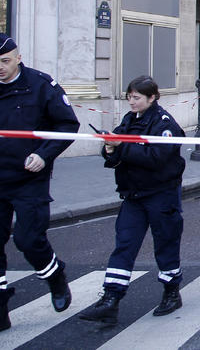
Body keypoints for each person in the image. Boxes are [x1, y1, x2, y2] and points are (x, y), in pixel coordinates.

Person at [79, 76, 186, 324]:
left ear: (152, 97)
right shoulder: (129, 120)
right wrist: (109, 149)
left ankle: (171, 292)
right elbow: (118, 151)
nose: (131, 102)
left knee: (166, 244)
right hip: (133, 195)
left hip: (161, 195)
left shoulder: (164, 124)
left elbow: (157, 157)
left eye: (136, 97)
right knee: (124, 245)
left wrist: (120, 147)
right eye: (129, 97)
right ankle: (111, 299)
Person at [0, 33, 78, 331]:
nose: (1, 67)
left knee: (28, 239)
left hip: (28, 177)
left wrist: (44, 155)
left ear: (18, 58)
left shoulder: (40, 85)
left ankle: (55, 276)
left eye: (6, 61)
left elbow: (68, 125)